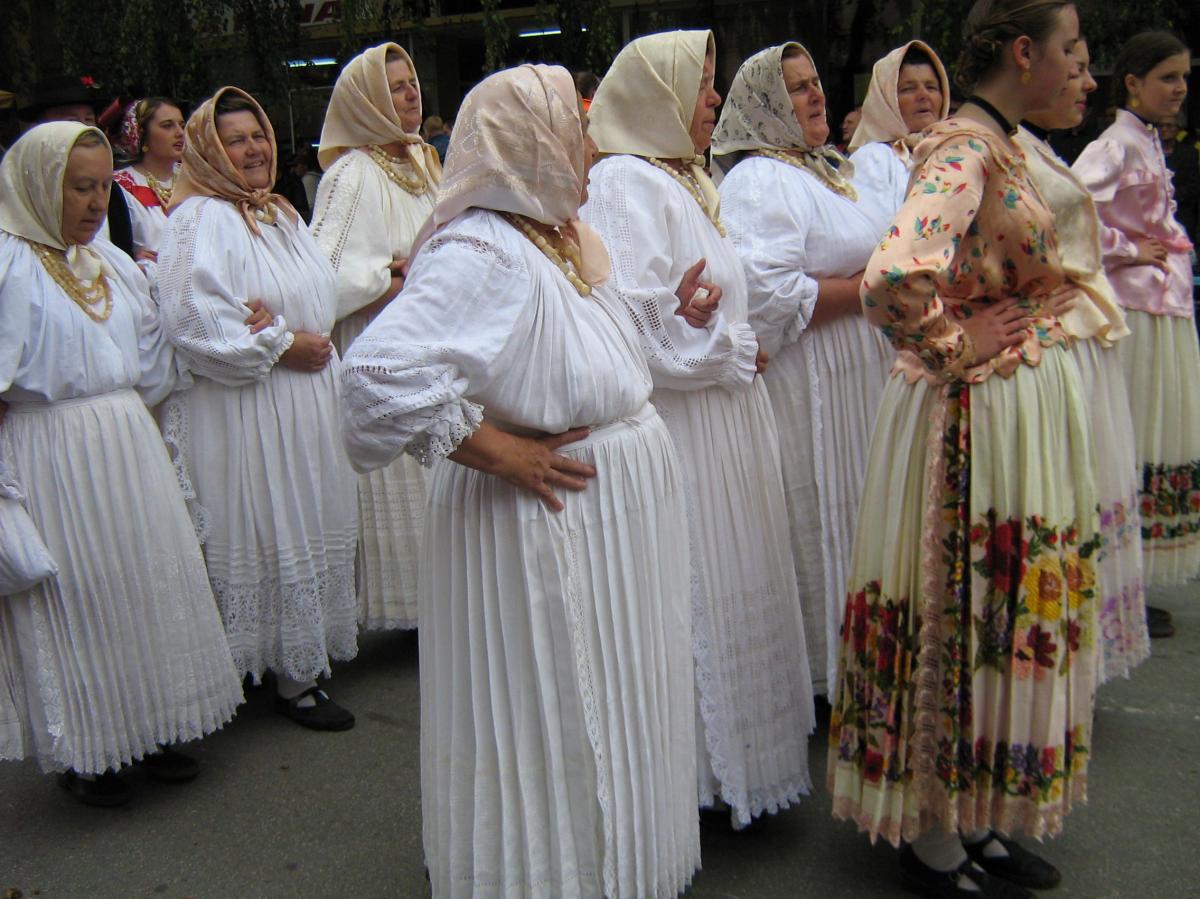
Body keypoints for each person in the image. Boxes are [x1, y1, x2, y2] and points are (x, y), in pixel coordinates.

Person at [340, 63, 698, 898]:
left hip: (601, 513)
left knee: (615, 693)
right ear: (529, 142)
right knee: (554, 704)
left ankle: (621, 864)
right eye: (574, 131)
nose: (589, 147)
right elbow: (373, 381)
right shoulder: (482, 247)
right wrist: (499, 450)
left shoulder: (553, 234)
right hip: (543, 517)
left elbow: (584, 340)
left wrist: (671, 309)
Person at [829, 2, 1099, 896]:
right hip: (973, 415)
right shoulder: (966, 150)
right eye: (1070, 50)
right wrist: (955, 344)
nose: (1082, 69)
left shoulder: (1000, 142)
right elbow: (892, 277)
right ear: (1024, 53)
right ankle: (935, 835)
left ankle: (976, 812)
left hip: (1008, 410)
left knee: (997, 609)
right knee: (961, 603)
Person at [584, 30, 815, 828]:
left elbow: (695, 305)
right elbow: (639, 324)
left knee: (734, 575)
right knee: (698, 591)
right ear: (656, 97)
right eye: (700, 82)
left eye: (714, 81)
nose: (713, 97)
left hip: (724, 415)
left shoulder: (681, 178)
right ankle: (701, 778)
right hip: (688, 424)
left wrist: (725, 335)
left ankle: (742, 759)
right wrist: (725, 345)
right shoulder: (623, 181)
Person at [0, 122, 243, 806]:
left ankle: (156, 723)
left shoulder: (107, 262)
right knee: (83, 596)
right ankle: (94, 750)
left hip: (127, 443)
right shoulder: (8, 267)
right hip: (54, 454)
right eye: (79, 187)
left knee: (143, 583)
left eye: (103, 186)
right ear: (38, 186)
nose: (94, 202)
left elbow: (154, 358)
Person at [155, 87, 360, 730]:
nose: (253, 150)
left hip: (304, 402)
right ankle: (279, 678)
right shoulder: (200, 219)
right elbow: (192, 321)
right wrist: (278, 342)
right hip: (249, 409)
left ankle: (298, 661)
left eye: (259, 136)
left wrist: (288, 326)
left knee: (303, 520)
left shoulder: (279, 214)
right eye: (235, 140)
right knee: (264, 527)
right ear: (208, 152)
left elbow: (317, 299)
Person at [715, 42, 897, 698]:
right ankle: (824, 670)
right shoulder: (760, 180)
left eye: (815, 80)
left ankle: (866, 656)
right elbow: (764, 295)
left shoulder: (827, 170)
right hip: (808, 387)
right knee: (817, 515)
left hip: (857, 378)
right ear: (764, 104)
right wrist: (868, 289)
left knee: (858, 511)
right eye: (795, 87)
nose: (815, 94)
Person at [1015, 39, 1150, 680]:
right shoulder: (1001, 149)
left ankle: (1080, 652)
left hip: (1080, 332)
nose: (1089, 82)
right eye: (1075, 65)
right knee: (1063, 498)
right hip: (1052, 341)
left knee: (1087, 495)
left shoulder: (1036, 147)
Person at [310, 42, 440, 631]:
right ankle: (412, 611)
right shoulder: (352, 173)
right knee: (404, 474)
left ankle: (445, 603)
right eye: (395, 87)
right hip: (383, 339)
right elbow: (324, 276)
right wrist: (387, 280)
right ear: (367, 101)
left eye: (412, 82)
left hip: (431, 335)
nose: (410, 94)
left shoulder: (424, 162)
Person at [1073, 32, 1197, 625]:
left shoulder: (1145, 141)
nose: (1180, 89)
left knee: (1157, 440)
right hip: (1136, 316)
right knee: (1134, 441)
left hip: (1165, 311)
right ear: (1133, 83)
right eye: (1168, 77)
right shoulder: (1114, 145)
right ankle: (1114, 587)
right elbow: (1069, 215)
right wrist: (1127, 249)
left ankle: (1131, 585)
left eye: (1184, 77)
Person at [17, 75, 135, 257]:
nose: (83, 128)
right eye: (72, 121)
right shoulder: (12, 257)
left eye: (89, 119)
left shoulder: (114, 195)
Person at [848, 40, 952, 216]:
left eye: (931, 87)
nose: (923, 95)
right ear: (886, 101)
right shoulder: (874, 158)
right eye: (908, 89)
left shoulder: (957, 150)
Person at [112, 98, 186, 269]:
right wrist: (129, 258)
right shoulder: (120, 186)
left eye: (181, 125)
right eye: (167, 126)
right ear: (141, 134)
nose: (180, 133)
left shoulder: (195, 179)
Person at [1160, 115, 1199, 245]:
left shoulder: (1190, 153)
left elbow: (1193, 186)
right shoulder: (1150, 151)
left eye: (1169, 125)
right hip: (1156, 213)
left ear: (1177, 129)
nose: (1164, 129)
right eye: (1161, 126)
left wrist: (1169, 198)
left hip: (1181, 211)